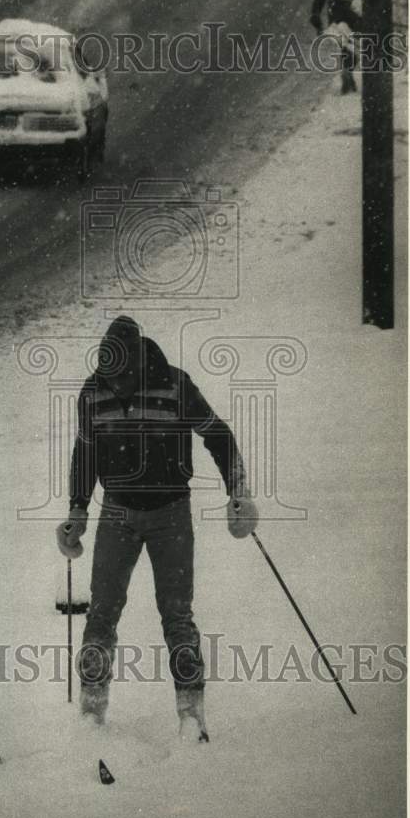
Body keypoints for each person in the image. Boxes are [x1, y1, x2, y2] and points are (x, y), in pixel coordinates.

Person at [56, 316, 258, 742]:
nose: (117, 387)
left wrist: (237, 491)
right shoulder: (92, 392)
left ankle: (191, 713)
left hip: (171, 514)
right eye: (110, 378)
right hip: (117, 512)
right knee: (102, 613)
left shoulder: (175, 385)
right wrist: (77, 508)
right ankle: (92, 711)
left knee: (177, 614)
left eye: (123, 379)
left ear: (139, 364)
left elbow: (217, 434)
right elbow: (85, 452)